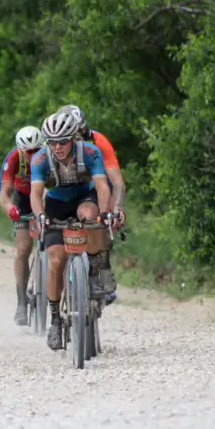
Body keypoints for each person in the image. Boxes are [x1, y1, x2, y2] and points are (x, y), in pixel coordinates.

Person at [29, 111, 116, 351]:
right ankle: (56, 319)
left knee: (92, 217)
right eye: (52, 141)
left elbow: (101, 186)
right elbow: (36, 194)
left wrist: (106, 212)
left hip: (83, 197)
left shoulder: (90, 152)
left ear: (74, 138)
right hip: (56, 204)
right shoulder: (39, 159)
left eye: (63, 141)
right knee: (56, 260)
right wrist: (40, 217)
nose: (57, 147)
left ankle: (96, 267)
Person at [57, 104, 125, 305]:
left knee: (101, 218)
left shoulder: (98, 141)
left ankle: (101, 265)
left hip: (95, 183)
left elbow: (117, 181)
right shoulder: (55, 144)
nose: (76, 139)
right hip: (63, 186)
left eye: (81, 133)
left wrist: (117, 209)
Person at [0, 125, 44, 325]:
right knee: (24, 248)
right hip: (23, 199)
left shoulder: (49, 156)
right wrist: (10, 208)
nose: (33, 156)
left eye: (36, 151)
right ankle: (21, 303)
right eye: (28, 152)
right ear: (20, 150)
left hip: (46, 197)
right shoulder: (14, 159)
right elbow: (4, 195)